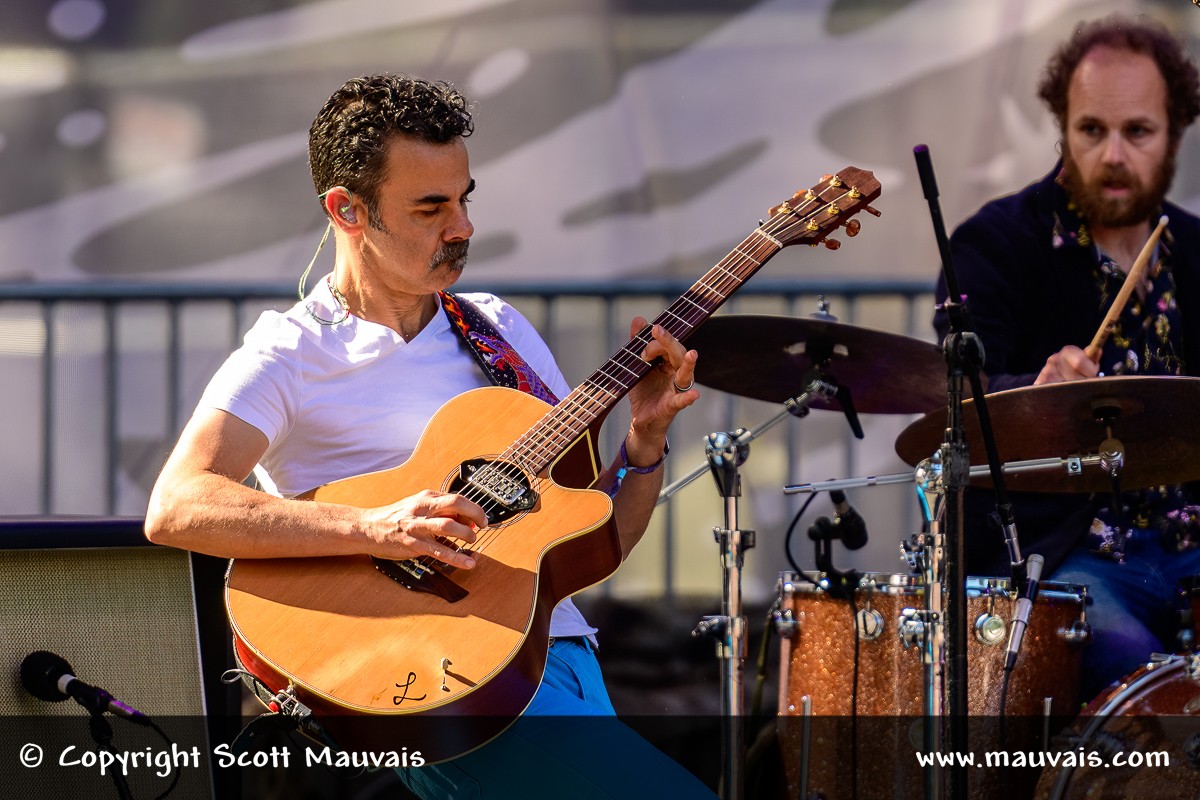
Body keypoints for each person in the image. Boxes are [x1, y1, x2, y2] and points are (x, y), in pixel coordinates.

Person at [145, 74, 716, 798]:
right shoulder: (288, 354)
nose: (462, 227)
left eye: (464, 199)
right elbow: (177, 506)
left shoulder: (498, 328)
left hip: (557, 662)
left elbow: (596, 540)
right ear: (347, 210)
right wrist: (374, 526)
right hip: (436, 676)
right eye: (430, 208)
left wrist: (643, 441)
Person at [934, 14, 1200, 701]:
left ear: (1174, 135)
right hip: (1070, 560)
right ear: (1063, 127)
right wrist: (1037, 392)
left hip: (1190, 548)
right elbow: (952, 397)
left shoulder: (1195, 252)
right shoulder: (996, 245)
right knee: (1134, 672)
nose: (1113, 154)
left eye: (1137, 132)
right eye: (1091, 130)